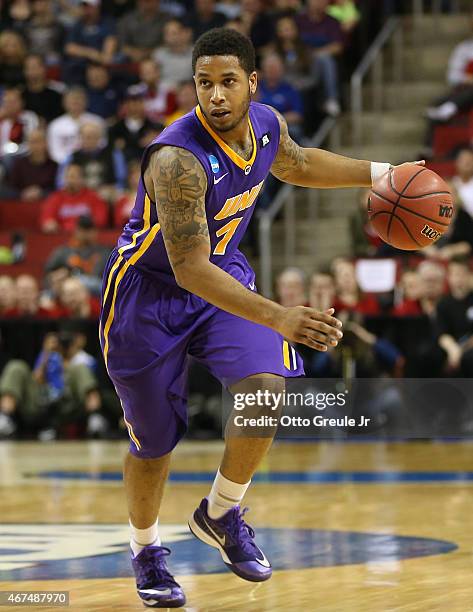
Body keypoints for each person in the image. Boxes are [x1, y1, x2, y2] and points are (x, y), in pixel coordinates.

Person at [98, 27, 421, 607]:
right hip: (150, 296)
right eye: (204, 84)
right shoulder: (177, 159)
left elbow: (294, 163)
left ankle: (221, 512)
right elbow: (190, 268)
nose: (215, 95)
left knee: (265, 389)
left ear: (251, 82)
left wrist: (381, 173)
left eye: (226, 82)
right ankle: (145, 549)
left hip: (222, 272)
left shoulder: (267, 123)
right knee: (154, 444)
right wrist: (280, 316)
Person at [45, 215, 110, 296]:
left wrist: (72, 277)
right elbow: (47, 276)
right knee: (47, 294)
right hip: (67, 288)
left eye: (89, 230)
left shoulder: (105, 252)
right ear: (76, 230)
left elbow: (108, 278)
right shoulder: (63, 251)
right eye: (82, 230)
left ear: (95, 232)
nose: (85, 234)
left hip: (96, 289)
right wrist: (57, 276)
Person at [40, 163, 108, 232]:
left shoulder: (93, 197)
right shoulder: (55, 198)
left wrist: (73, 226)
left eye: (75, 177)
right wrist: (50, 224)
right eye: (68, 177)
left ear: (83, 179)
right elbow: (47, 219)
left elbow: (100, 219)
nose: (71, 181)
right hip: (61, 236)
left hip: (85, 236)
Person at [63, 0, 117, 84]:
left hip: (101, 65)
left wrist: (99, 57)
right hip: (83, 64)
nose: (86, 10)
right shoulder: (79, 24)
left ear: (98, 7)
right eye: (84, 6)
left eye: (89, 7)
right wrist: (91, 53)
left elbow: (107, 55)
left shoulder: (108, 23)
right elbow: (69, 48)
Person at [47, 88, 105, 164]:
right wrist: (69, 162)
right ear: (64, 102)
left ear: (86, 102)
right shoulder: (55, 125)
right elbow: (54, 151)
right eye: (72, 99)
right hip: (65, 165)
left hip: (93, 163)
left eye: (79, 99)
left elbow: (102, 144)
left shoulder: (97, 121)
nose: (75, 102)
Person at [108, 84, 164, 160]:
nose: (134, 106)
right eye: (131, 102)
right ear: (125, 105)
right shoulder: (115, 129)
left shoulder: (155, 127)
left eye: (139, 101)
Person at [6, 128, 58, 201]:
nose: (35, 145)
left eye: (38, 141)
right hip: (21, 205)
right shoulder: (19, 164)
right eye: (32, 142)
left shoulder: (54, 166)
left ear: (46, 143)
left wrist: (41, 193)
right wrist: (23, 193)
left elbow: (57, 191)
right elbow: (9, 189)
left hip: (45, 205)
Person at [152, 18, 193, 89]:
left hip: (188, 92)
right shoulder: (158, 54)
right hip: (163, 93)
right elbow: (153, 78)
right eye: (167, 33)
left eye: (173, 33)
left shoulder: (195, 53)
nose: (169, 37)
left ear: (184, 34)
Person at [22, 54, 64, 123]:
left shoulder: (57, 94)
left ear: (44, 68)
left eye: (35, 67)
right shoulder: (20, 96)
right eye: (28, 68)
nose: (32, 71)